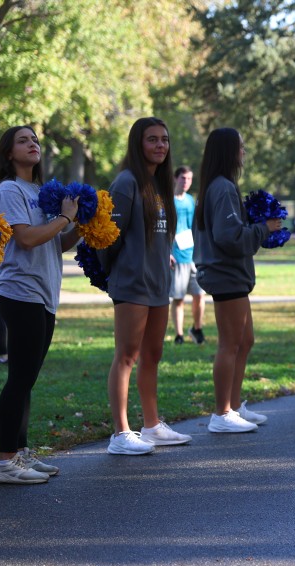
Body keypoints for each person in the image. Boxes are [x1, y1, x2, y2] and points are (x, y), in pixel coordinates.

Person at [0, 125, 79, 484]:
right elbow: (25, 239)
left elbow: (54, 243)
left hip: (44, 293)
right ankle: (4, 462)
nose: (32, 144)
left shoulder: (39, 192)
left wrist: (80, 225)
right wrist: (65, 218)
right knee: (19, 378)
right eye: (23, 141)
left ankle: (20, 452)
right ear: (9, 153)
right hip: (20, 292)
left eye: (35, 139)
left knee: (27, 379)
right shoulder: (8, 190)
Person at [101, 117, 191, 455]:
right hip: (132, 284)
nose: (160, 145)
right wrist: (119, 271)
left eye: (164, 139)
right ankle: (120, 433)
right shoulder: (126, 183)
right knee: (127, 355)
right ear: (138, 143)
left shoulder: (160, 185)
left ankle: (151, 426)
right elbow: (108, 238)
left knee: (153, 355)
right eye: (152, 139)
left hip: (158, 285)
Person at [193, 128, 280, 433]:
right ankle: (221, 414)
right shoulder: (222, 188)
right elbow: (229, 237)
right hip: (225, 274)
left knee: (245, 340)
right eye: (240, 147)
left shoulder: (220, 186)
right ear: (228, 152)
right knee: (230, 344)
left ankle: (234, 404)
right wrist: (264, 228)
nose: (244, 152)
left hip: (232, 275)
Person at [170, 165, 206, 345]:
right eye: (183, 178)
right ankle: (179, 335)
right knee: (179, 298)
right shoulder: (168, 201)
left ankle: (197, 329)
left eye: (189, 179)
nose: (186, 182)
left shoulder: (191, 200)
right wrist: (167, 252)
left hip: (194, 255)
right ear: (175, 179)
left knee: (199, 295)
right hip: (177, 255)